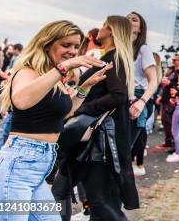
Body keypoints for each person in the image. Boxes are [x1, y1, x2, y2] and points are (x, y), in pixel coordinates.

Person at [0, 21, 107, 220]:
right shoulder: (28, 72)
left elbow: (67, 111)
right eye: (66, 45)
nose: (72, 51)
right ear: (47, 43)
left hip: (38, 170)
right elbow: (21, 100)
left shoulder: (53, 77)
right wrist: (64, 67)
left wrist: (85, 87)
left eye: (76, 46)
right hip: (16, 169)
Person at [54, 16, 139, 220]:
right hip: (87, 141)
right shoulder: (111, 57)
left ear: (110, 30)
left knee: (101, 202)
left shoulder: (113, 59)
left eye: (103, 25)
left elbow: (118, 95)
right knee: (60, 192)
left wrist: (81, 110)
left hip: (96, 142)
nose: (99, 29)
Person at [127, 12, 158, 176]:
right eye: (127, 18)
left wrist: (142, 101)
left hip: (139, 98)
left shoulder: (143, 49)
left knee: (127, 146)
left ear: (140, 29)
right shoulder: (122, 49)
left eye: (134, 19)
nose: (129, 20)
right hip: (122, 98)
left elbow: (154, 81)